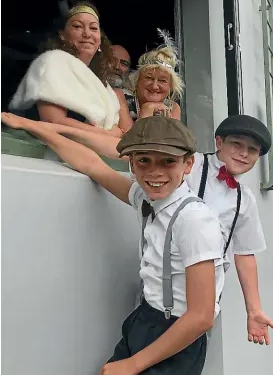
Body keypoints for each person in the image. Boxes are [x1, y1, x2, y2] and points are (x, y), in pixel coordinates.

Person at [1, 113, 225, 375]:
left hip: (177, 335)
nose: (155, 172)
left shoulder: (194, 220)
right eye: (143, 161)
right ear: (130, 163)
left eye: (168, 161)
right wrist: (30, 126)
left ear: (188, 165)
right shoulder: (146, 198)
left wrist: (133, 364)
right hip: (146, 318)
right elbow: (93, 165)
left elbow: (201, 316)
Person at [2, 35, 184, 160]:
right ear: (136, 81)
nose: (154, 85)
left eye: (162, 81)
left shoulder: (173, 108)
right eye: (149, 78)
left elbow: (165, 146)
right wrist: (145, 113)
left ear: (171, 88)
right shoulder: (119, 96)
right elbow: (131, 142)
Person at [185, 114, 273, 345]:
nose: (244, 153)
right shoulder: (191, 163)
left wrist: (254, 310)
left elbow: (245, 254)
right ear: (219, 142)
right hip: (163, 293)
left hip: (204, 304)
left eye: (253, 150)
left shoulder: (244, 199)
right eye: (236, 144)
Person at [9, 1, 133, 136]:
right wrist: (111, 134)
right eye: (78, 26)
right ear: (62, 34)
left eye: (93, 28)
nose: (87, 34)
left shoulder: (100, 82)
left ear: (99, 40)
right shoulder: (52, 62)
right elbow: (54, 121)